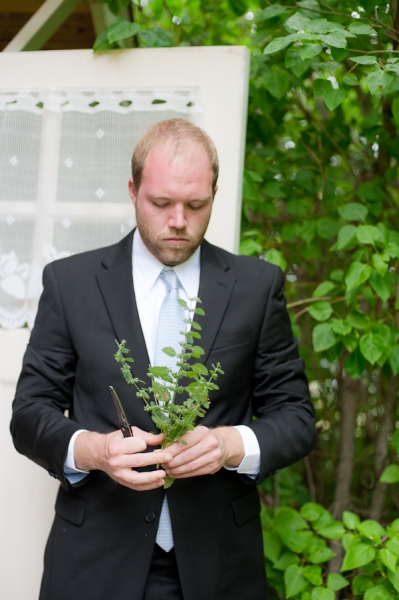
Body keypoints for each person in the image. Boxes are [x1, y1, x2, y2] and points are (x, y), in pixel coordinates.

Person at [11, 118, 316, 600]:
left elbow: (297, 418)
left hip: (219, 565)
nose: (178, 221)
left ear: (214, 194)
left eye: (196, 205)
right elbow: (28, 416)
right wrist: (94, 450)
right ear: (132, 190)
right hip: (94, 561)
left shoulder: (258, 287)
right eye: (161, 203)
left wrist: (230, 444)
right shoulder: (70, 283)